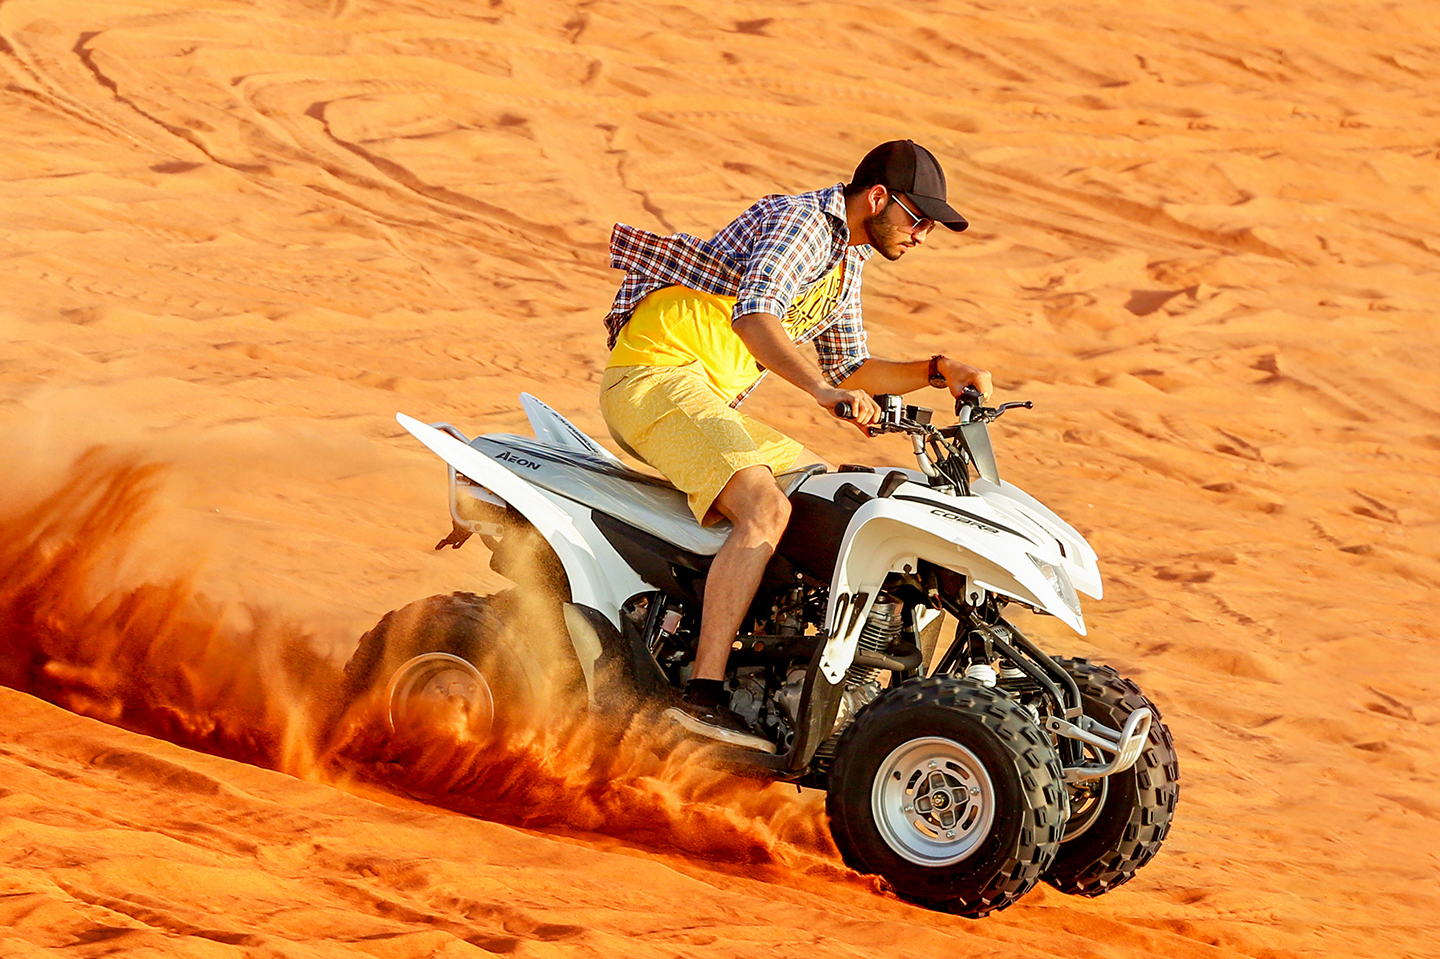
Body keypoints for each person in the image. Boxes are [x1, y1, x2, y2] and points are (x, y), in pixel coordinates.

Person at [599, 139, 993, 750]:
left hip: (697, 398)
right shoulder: (805, 226)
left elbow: (851, 367)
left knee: (829, 500)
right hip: (656, 377)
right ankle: (701, 697)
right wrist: (817, 391)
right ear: (878, 198)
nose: (922, 235)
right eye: (917, 219)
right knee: (765, 507)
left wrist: (938, 370)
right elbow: (754, 317)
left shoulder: (846, 261)